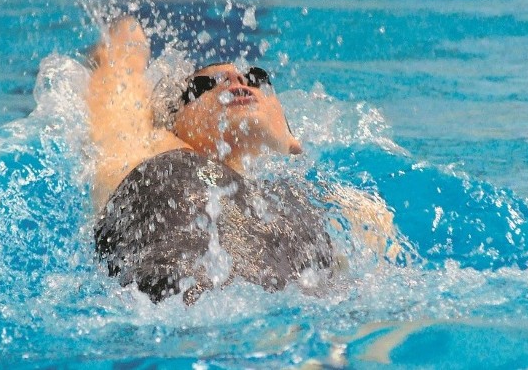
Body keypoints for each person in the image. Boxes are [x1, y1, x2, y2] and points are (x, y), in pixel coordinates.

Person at [87, 17, 401, 304]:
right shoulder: (148, 148)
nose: (236, 79)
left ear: (290, 137)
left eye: (256, 78)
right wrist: (129, 38)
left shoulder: (305, 200)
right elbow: (117, 73)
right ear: (173, 122)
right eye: (204, 85)